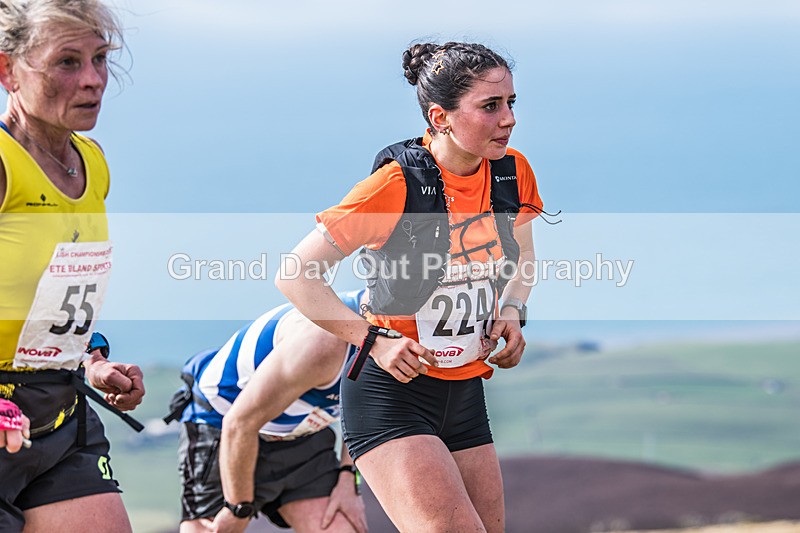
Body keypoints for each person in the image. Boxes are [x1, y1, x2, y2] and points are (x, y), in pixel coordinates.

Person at [276, 42, 544, 532]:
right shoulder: (393, 186)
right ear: (440, 117)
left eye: (511, 103)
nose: (508, 119)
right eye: (490, 106)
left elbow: (524, 256)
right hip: (391, 398)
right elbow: (295, 274)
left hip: (464, 392)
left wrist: (512, 310)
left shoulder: (511, 171)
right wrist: (371, 340)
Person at [0, 1, 145, 532]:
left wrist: (91, 361)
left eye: (101, 59)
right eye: (67, 62)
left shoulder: (93, 163)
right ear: (7, 71)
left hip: (56, 409)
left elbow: (53, 294)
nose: (93, 80)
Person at [169, 289, 368, 533]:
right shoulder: (323, 340)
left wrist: (349, 478)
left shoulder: (407, 339)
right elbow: (239, 423)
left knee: (343, 526)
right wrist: (237, 507)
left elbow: (370, 412)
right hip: (223, 427)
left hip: (300, 435)